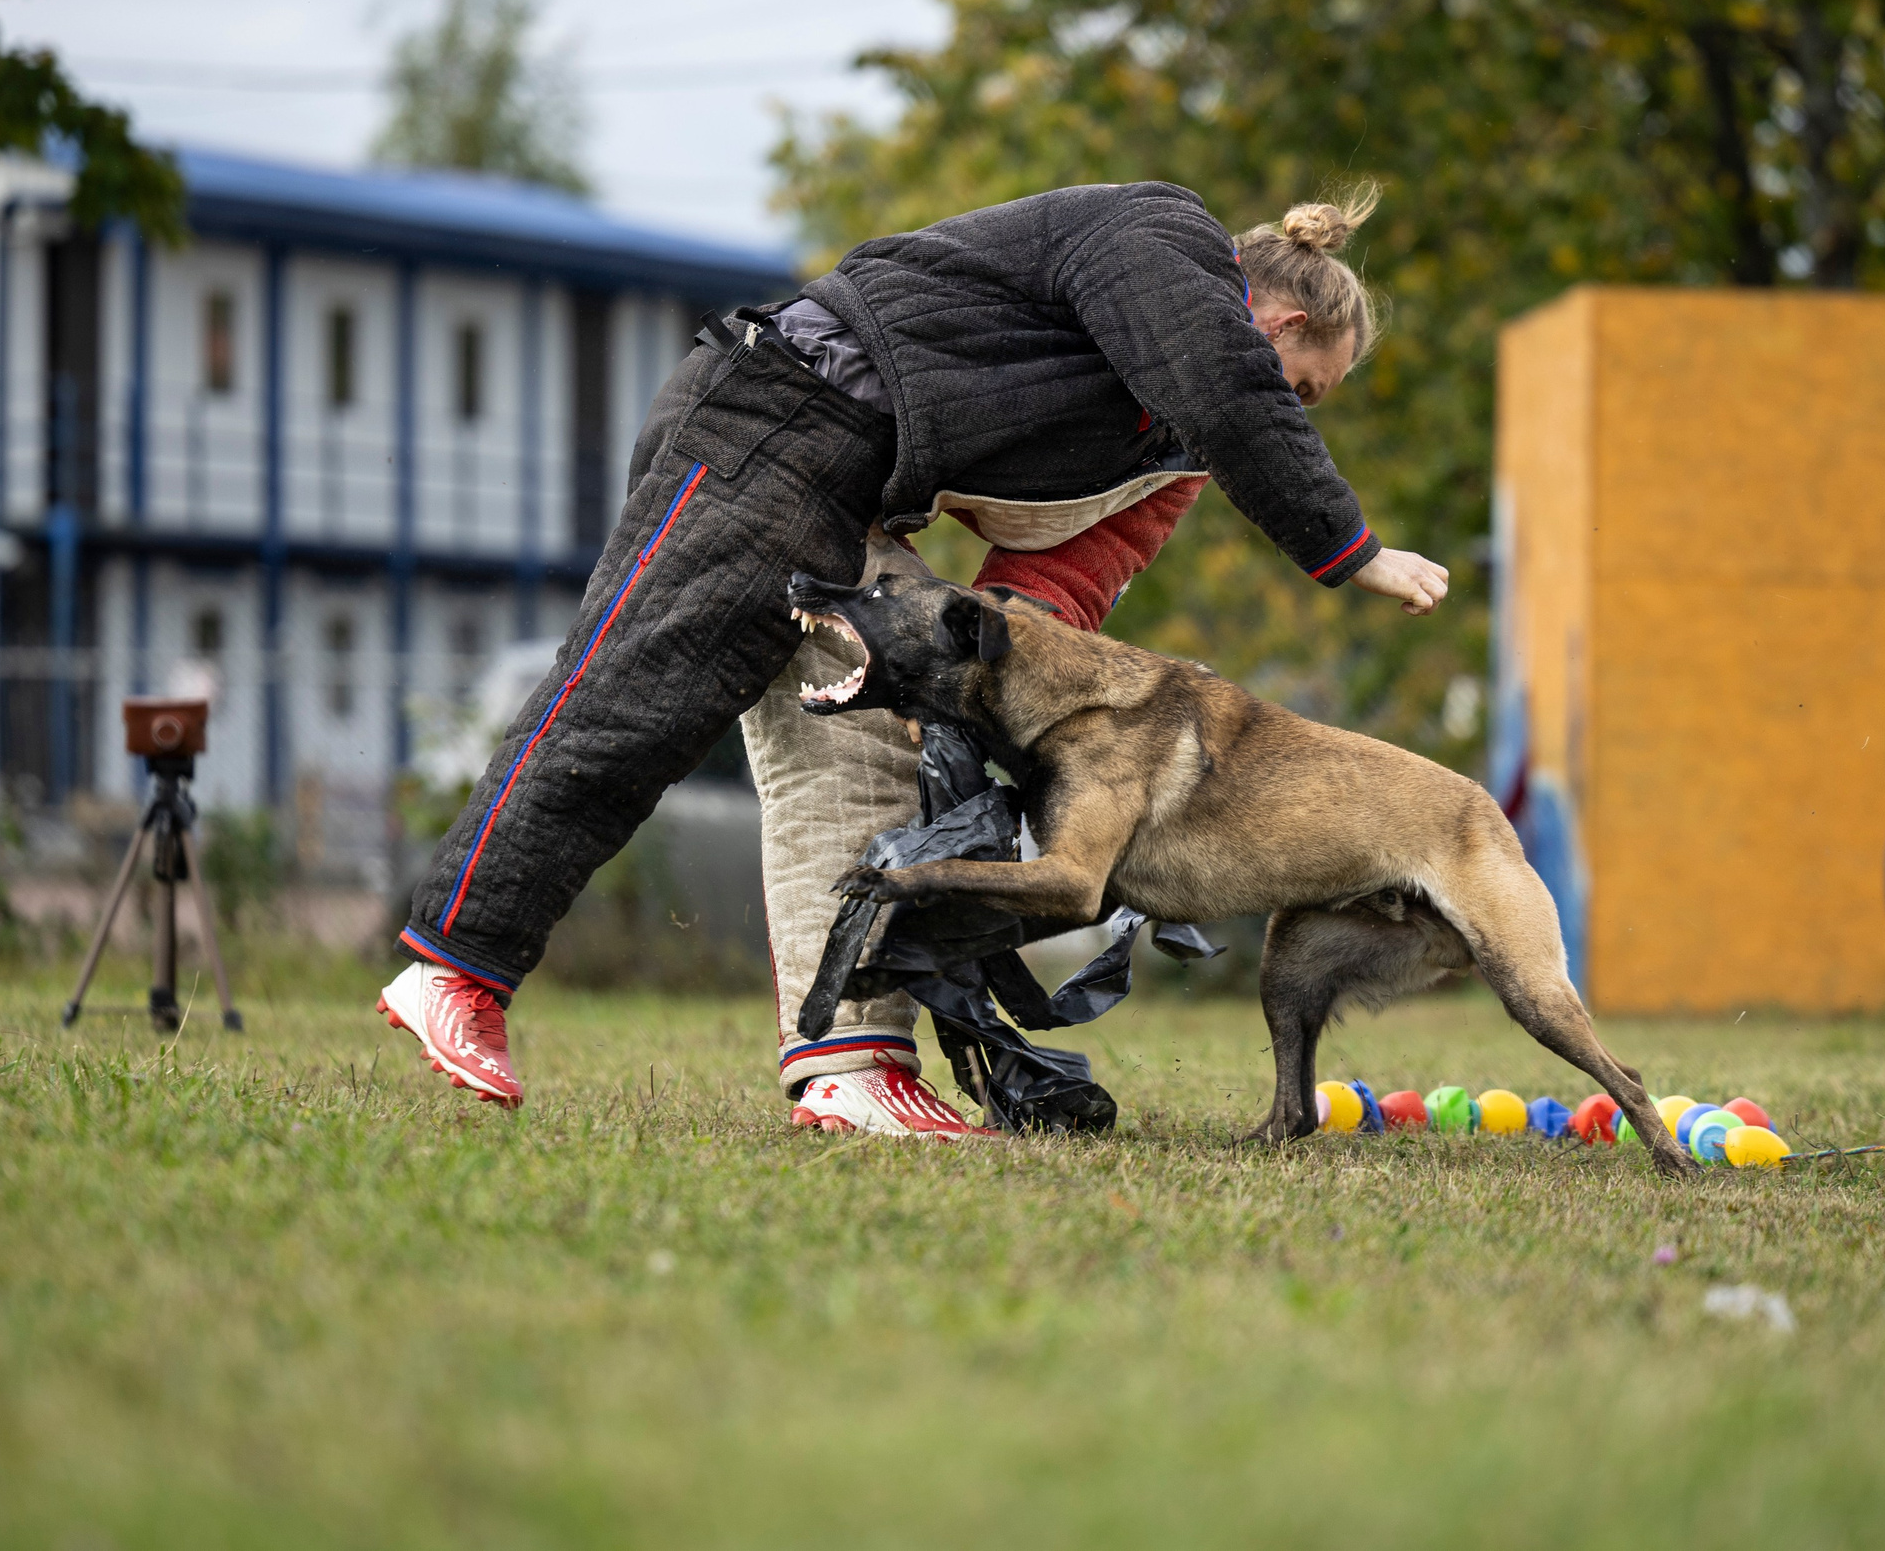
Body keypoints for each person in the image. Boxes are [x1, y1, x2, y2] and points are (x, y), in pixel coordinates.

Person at [376, 181, 1450, 1132]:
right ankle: (454, 967)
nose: (1292, 413)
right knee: (633, 707)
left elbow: (1053, 597)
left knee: (872, 749)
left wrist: (971, 700)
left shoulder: (1165, 451)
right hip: (772, 414)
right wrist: (1347, 547)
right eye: (1305, 388)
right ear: (1282, 319)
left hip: (853, 492)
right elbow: (1231, 387)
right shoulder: (1159, 236)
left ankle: (851, 1062)